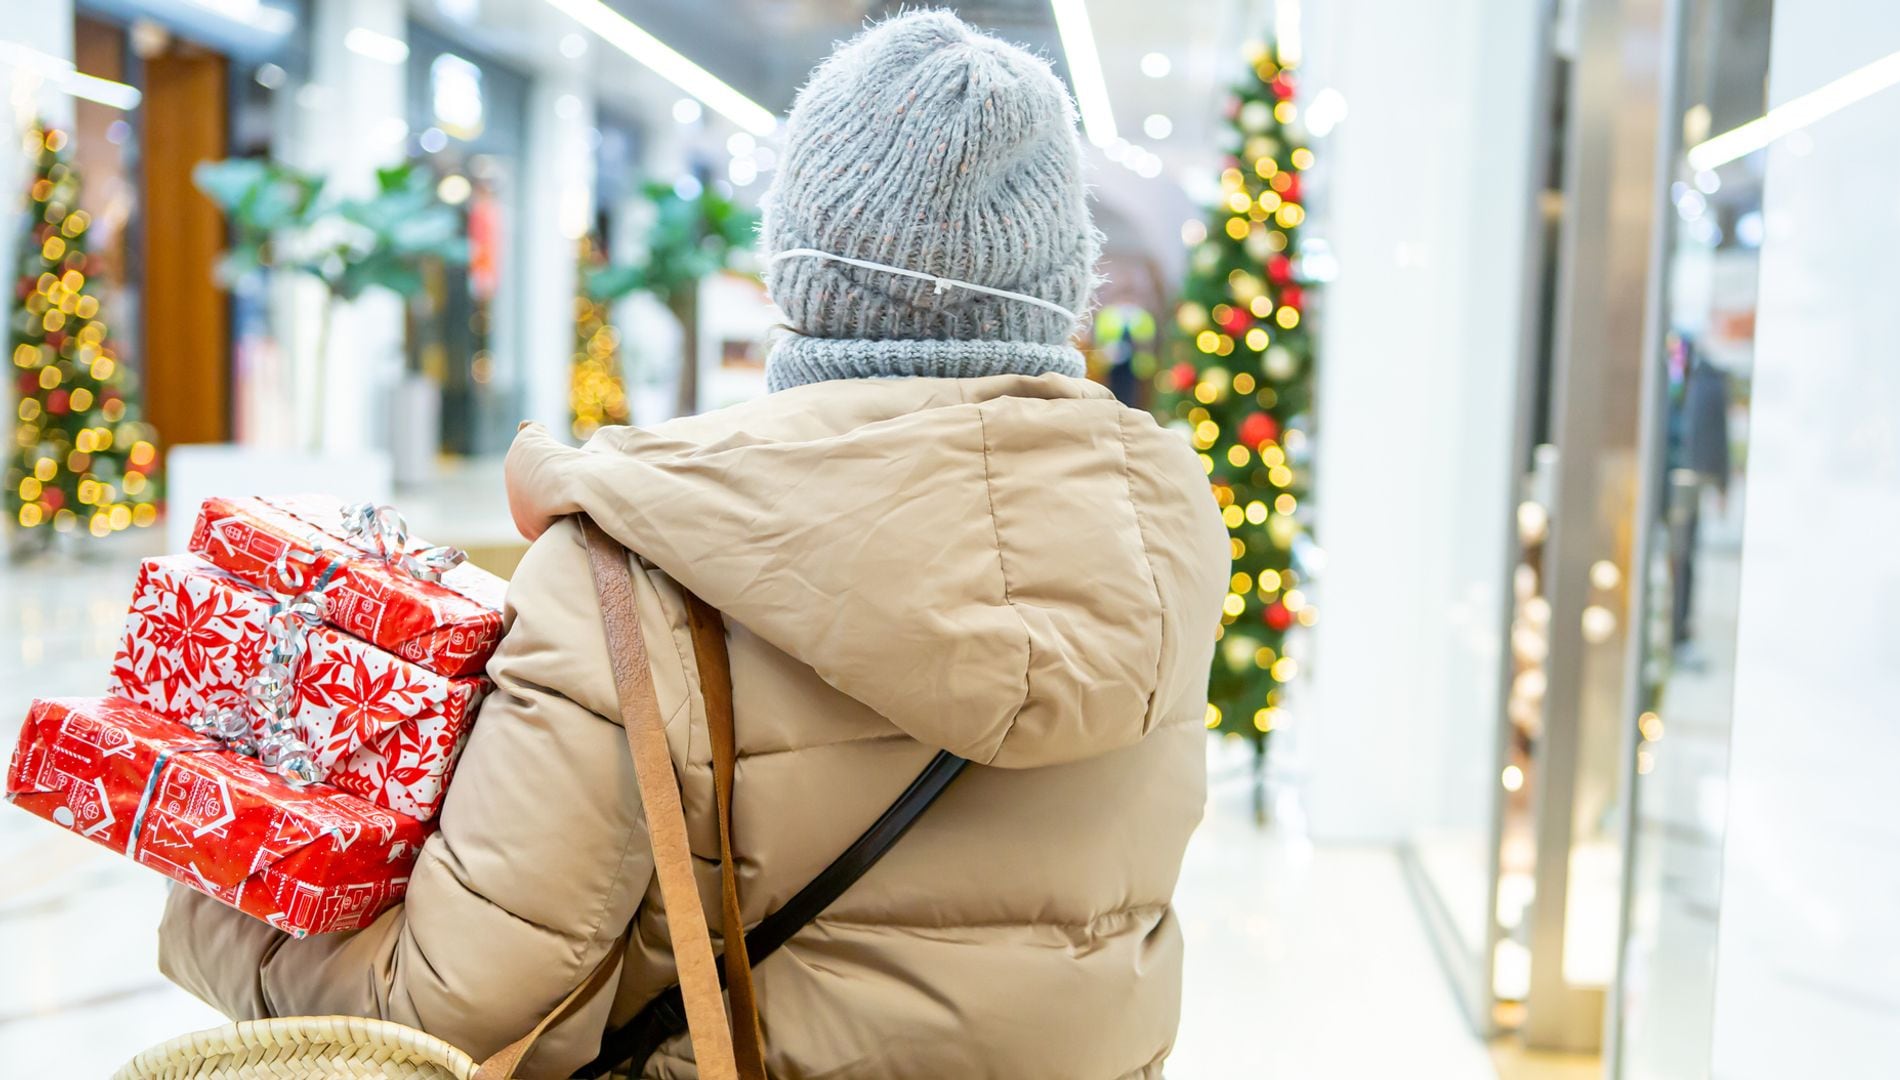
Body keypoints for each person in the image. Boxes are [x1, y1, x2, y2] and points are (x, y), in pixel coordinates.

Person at [158, 11, 1228, 1078]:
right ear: (1057, 285)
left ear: (799, 270)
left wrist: (211, 888)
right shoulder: (1157, 548)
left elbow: (447, 1019)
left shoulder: (626, 574)